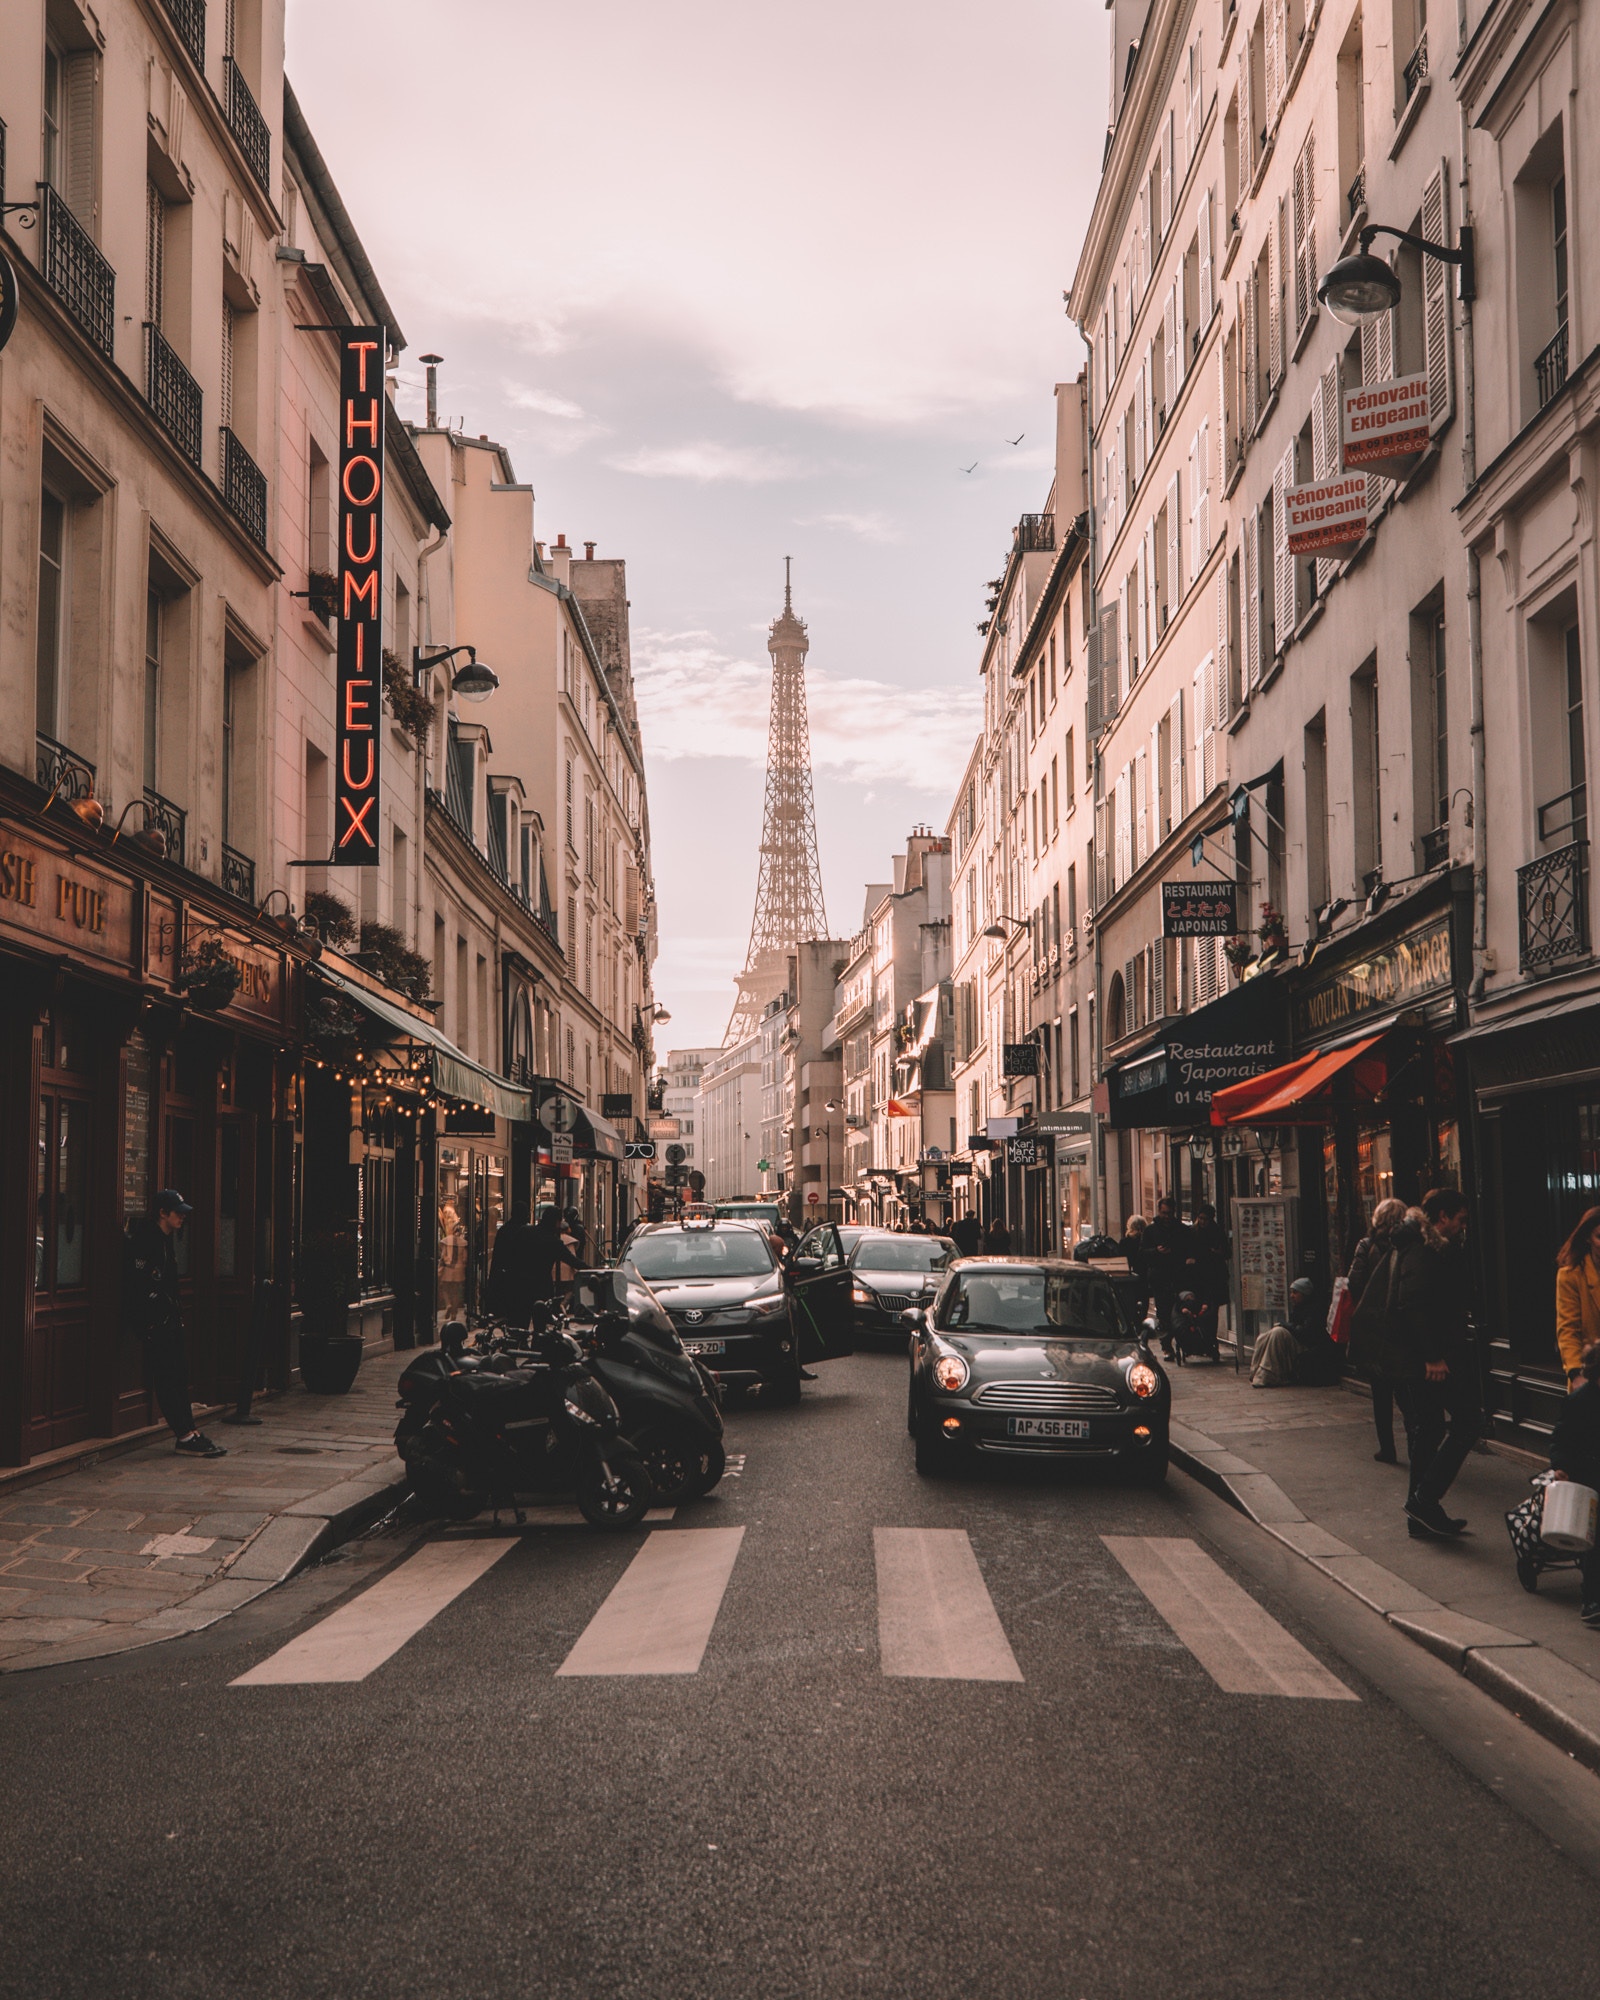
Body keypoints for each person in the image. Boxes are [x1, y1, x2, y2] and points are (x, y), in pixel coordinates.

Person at [1389, 1187, 1480, 1539]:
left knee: (1428, 1430)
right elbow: (1412, 1305)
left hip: (1429, 1355)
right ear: (1442, 1217)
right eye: (1460, 1219)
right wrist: (1433, 1356)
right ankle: (1425, 1499)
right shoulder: (1423, 1250)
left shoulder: (1424, 1246)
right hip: (1432, 1359)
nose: (1462, 1226)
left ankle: (1421, 1512)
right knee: (1468, 1421)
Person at [123, 1191, 226, 1458]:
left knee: (180, 1377)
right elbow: (141, 1286)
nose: (182, 1216)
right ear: (162, 1213)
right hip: (157, 1324)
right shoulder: (148, 1241)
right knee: (168, 1379)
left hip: (170, 1321)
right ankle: (183, 1435)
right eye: (177, 1211)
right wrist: (153, 1321)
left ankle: (191, 1431)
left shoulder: (165, 1239)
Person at [1345, 1197, 1409, 1463]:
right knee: (1406, 1392)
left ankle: (1387, 1448)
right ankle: (1416, 1441)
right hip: (1402, 1325)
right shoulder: (1410, 1245)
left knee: (1380, 1393)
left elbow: (1353, 1282)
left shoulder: (1366, 1245)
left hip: (1374, 1326)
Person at [1546, 1340, 1600, 1629]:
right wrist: (1561, 1466)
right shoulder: (1579, 1402)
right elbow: (1561, 1439)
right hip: (1589, 1479)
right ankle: (1592, 1599)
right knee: (1595, 1545)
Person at [1251, 1277, 1339, 1386]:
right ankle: (1255, 1371)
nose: (1291, 1296)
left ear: (1304, 1294)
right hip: (1300, 1341)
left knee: (1278, 1332)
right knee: (1264, 1336)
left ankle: (1267, 1375)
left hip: (1309, 1346)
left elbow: (1306, 1334)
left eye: (1295, 1292)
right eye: (1292, 1292)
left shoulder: (1315, 1310)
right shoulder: (1298, 1308)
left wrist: (1286, 1325)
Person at [1555, 1208, 1600, 1393]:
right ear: (1588, 1237)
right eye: (1599, 1237)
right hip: (1589, 1375)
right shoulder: (1571, 1275)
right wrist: (1576, 1374)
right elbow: (1568, 1330)